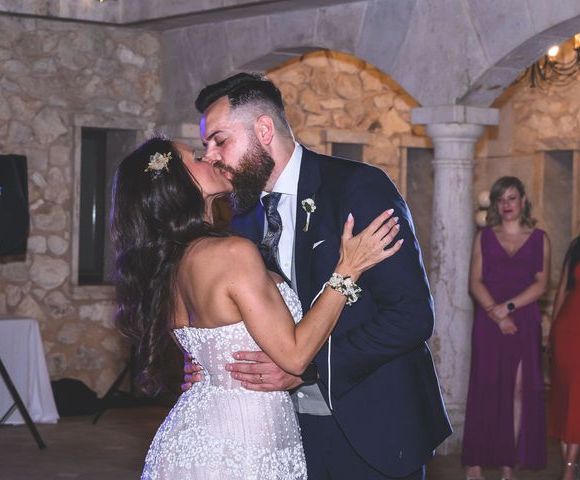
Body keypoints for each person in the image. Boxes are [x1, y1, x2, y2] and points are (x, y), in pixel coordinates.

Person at [186, 72, 451, 479]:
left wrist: (305, 368)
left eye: (220, 140)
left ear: (263, 129)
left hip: (372, 424)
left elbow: (411, 316)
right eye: (206, 146)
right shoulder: (241, 217)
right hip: (282, 432)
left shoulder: (358, 188)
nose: (210, 156)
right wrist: (210, 362)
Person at [110, 136, 403, 479]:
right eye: (196, 158)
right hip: (243, 441)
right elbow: (294, 356)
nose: (211, 158)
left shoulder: (169, 267)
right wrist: (347, 271)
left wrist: (206, 366)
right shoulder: (231, 253)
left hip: (195, 435)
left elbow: (205, 346)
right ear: (177, 185)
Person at [462, 176, 549, 480]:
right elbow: (474, 281)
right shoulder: (485, 236)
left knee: (517, 391)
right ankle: (474, 461)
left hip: (524, 321)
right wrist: (496, 314)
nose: (506, 205)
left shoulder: (540, 238)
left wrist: (509, 308)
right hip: (489, 321)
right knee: (485, 387)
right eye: (501, 199)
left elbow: (542, 283)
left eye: (512, 198)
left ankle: (507, 462)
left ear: (523, 200)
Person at [549, 236, 580, 480]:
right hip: (568, 329)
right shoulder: (577, 246)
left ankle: (570, 467)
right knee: (566, 398)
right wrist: (552, 333)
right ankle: (569, 468)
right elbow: (562, 290)